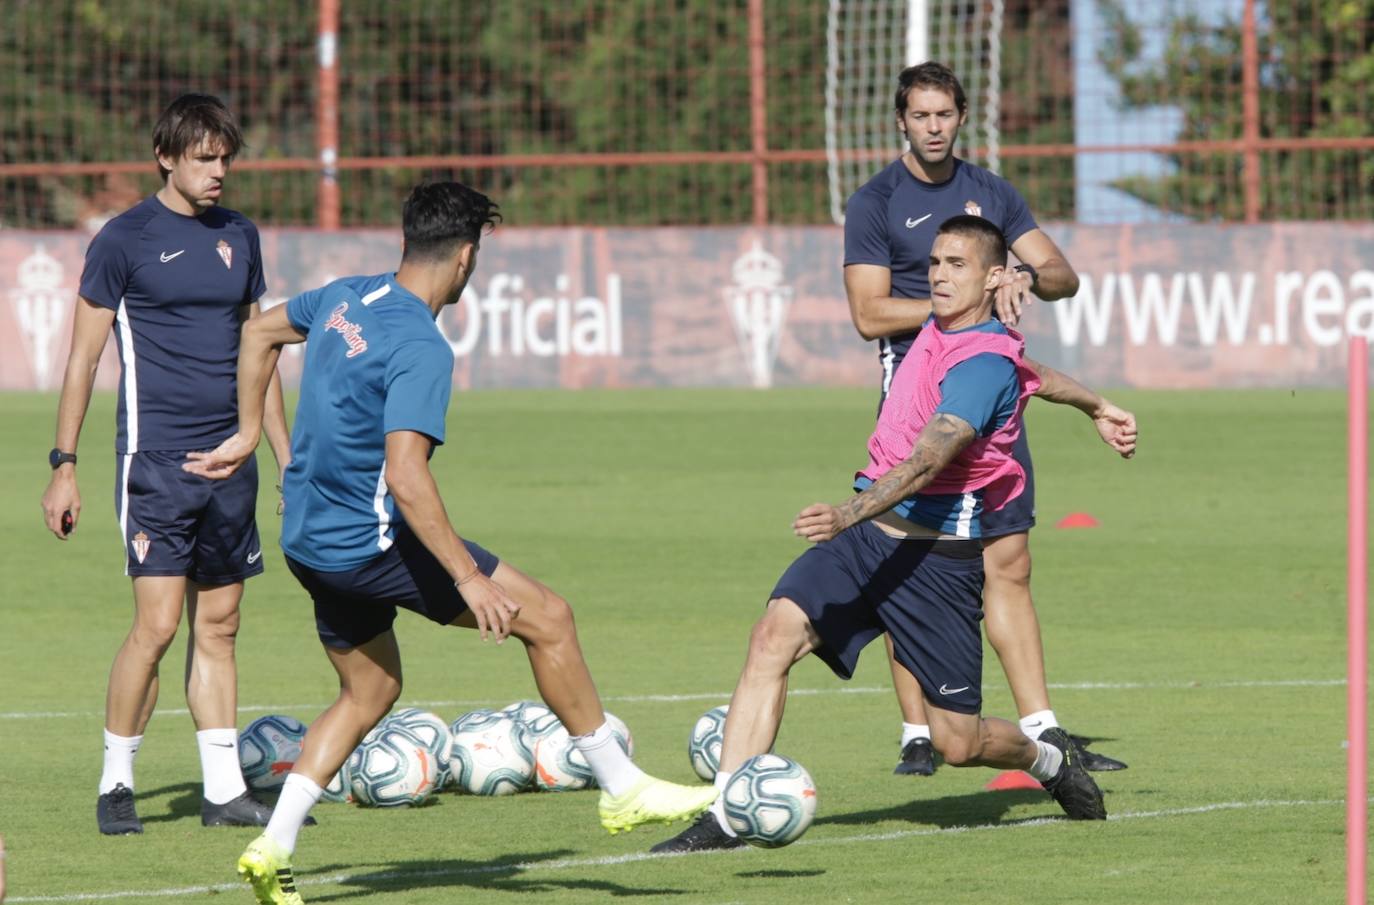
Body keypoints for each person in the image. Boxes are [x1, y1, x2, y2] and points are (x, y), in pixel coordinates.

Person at [183, 181, 717, 905]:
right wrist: (467, 577)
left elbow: (257, 334)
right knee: (550, 618)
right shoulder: (421, 346)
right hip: (366, 545)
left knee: (371, 689)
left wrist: (250, 431)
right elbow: (406, 477)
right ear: (465, 257)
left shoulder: (345, 296)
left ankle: (272, 844)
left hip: (307, 541)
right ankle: (622, 786)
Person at [651, 216, 1136, 853]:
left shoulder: (982, 366)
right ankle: (725, 815)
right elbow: (1035, 373)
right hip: (862, 544)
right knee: (772, 638)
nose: (938, 275)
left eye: (957, 264)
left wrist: (843, 514)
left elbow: (927, 462)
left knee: (958, 743)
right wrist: (1097, 405)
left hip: (933, 563)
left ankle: (1048, 759)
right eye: (935, 262)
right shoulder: (948, 329)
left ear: (994, 278)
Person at [843, 62, 1126, 776]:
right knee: (905, 559)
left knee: (1011, 562)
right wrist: (964, 299)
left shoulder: (992, 192)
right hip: (916, 400)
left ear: (962, 117)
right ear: (901, 121)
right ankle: (916, 732)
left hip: (988, 389)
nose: (933, 127)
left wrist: (1021, 274)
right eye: (920, 115)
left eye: (944, 114)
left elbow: (1063, 276)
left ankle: (1044, 729)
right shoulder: (875, 201)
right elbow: (868, 313)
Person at [39, 93, 291, 835]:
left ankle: (224, 791)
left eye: (225, 159)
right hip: (154, 464)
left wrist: (286, 457)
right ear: (165, 156)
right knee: (155, 627)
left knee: (221, 624)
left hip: (231, 460)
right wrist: (64, 463)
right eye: (205, 158)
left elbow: (260, 353)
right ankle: (117, 780)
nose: (219, 172)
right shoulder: (124, 240)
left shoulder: (240, 235)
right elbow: (83, 359)